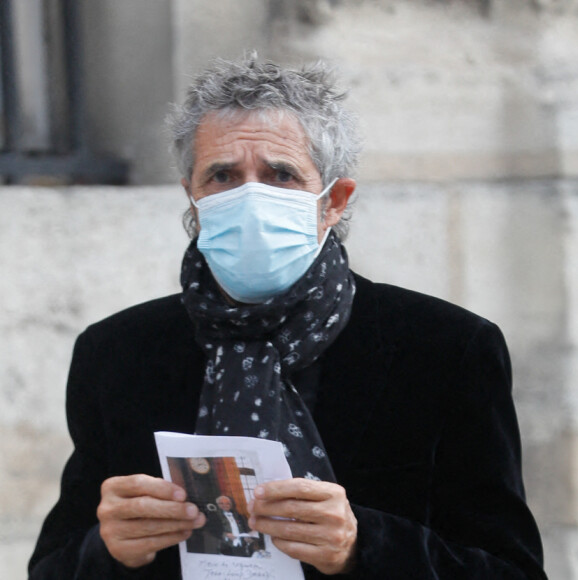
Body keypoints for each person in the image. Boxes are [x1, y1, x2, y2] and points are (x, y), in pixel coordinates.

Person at [28, 55, 547, 579]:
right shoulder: (118, 352)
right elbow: (51, 567)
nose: (251, 196)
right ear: (192, 196)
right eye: (223, 175)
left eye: (281, 175)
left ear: (334, 201)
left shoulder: (444, 349)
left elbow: (511, 570)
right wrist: (107, 549)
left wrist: (363, 545)